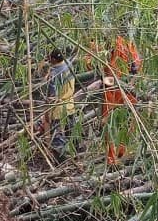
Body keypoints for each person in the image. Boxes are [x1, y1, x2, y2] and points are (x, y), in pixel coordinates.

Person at [86, 33, 142, 165]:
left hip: (118, 91)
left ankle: (117, 154)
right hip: (119, 90)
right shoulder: (123, 45)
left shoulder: (122, 47)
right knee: (119, 123)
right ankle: (118, 153)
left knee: (113, 123)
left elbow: (129, 73)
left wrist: (103, 81)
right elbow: (136, 69)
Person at [39, 48, 77, 158]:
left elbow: (52, 97)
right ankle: (76, 151)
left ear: (54, 60)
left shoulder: (54, 74)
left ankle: (61, 158)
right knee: (71, 131)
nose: (49, 60)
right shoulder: (68, 64)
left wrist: (46, 113)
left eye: (50, 58)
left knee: (57, 135)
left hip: (58, 109)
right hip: (70, 104)